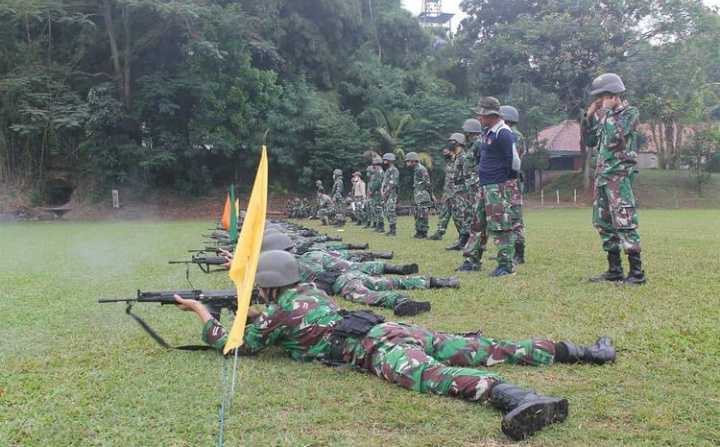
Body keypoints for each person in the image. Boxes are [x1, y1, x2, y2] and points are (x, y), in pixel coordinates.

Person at [175, 250, 616, 441]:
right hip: (388, 330)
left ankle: (519, 399)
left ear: (267, 288)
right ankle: (586, 351)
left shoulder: (278, 314)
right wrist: (253, 306)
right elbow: (286, 317)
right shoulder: (307, 291)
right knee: (488, 346)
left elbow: (234, 344)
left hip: (378, 350)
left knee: (438, 377)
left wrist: (202, 312)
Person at [582, 73, 646, 285]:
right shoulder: (604, 117)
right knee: (603, 223)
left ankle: (636, 273)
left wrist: (607, 112)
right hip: (602, 177)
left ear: (614, 95)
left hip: (619, 177)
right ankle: (614, 269)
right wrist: (589, 118)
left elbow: (618, 137)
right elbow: (590, 141)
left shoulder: (629, 113)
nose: (599, 100)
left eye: (603, 96)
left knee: (625, 221)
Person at [458, 98, 517, 277]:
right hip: (484, 186)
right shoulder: (487, 132)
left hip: (496, 186)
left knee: (500, 226)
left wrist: (503, 183)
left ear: (490, 115)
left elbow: (513, 161)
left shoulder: (503, 133)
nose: (479, 117)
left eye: (481, 114)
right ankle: (472, 260)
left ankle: (505, 265)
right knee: (477, 224)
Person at [500, 105, 526, 264]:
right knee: (505, 216)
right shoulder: (508, 133)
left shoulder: (514, 135)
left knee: (515, 218)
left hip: (511, 181)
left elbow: (513, 159)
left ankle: (519, 253)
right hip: (505, 180)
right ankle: (509, 251)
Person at [430, 134, 464, 241]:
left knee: (458, 214)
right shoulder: (450, 161)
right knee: (444, 211)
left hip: (458, 192)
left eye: (452, 142)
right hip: (448, 191)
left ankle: (463, 235)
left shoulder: (462, 158)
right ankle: (440, 231)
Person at [404, 152, 433, 239]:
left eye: (408, 161)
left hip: (423, 195)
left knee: (422, 214)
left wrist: (431, 195)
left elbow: (427, 183)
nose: (407, 163)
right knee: (418, 214)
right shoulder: (416, 169)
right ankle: (418, 231)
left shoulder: (421, 169)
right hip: (418, 195)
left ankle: (423, 233)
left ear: (413, 161)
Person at [381, 153, 399, 236]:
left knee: (390, 210)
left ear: (390, 160)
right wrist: (382, 190)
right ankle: (391, 229)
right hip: (386, 194)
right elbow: (384, 182)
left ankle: (393, 230)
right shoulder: (388, 170)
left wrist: (386, 192)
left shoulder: (394, 170)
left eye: (386, 159)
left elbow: (393, 183)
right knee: (387, 211)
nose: (384, 161)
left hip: (391, 194)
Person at [366, 156, 384, 231]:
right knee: (376, 210)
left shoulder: (379, 171)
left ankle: (381, 226)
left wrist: (372, 191)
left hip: (378, 193)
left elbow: (378, 183)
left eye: (374, 164)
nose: (373, 166)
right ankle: (378, 225)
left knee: (378, 209)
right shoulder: (377, 171)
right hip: (375, 193)